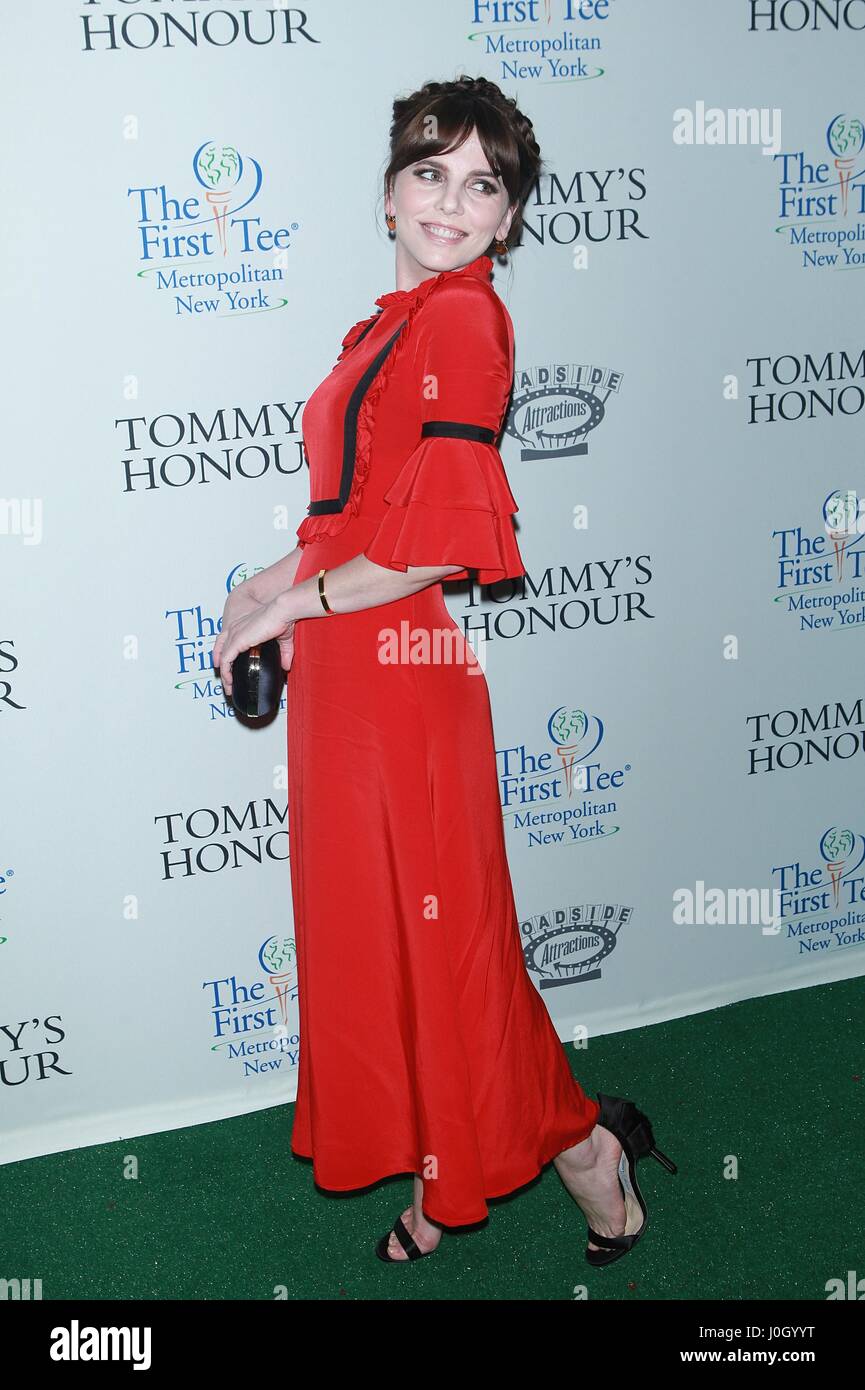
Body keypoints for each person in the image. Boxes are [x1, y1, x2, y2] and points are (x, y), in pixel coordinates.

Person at [213, 76, 675, 1266]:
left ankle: (583, 1155)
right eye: (431, 172)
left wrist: (290, 605)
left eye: (484, 184)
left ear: (509, 219)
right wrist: (264, 588)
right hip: (346, 677)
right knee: (400, 950)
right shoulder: (385, 326)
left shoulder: (464, 322)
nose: (452, 202)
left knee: (451, 953)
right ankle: (450, 1162)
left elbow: (428, 548)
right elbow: (357, 513)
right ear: (387, 194)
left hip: (400, 681)